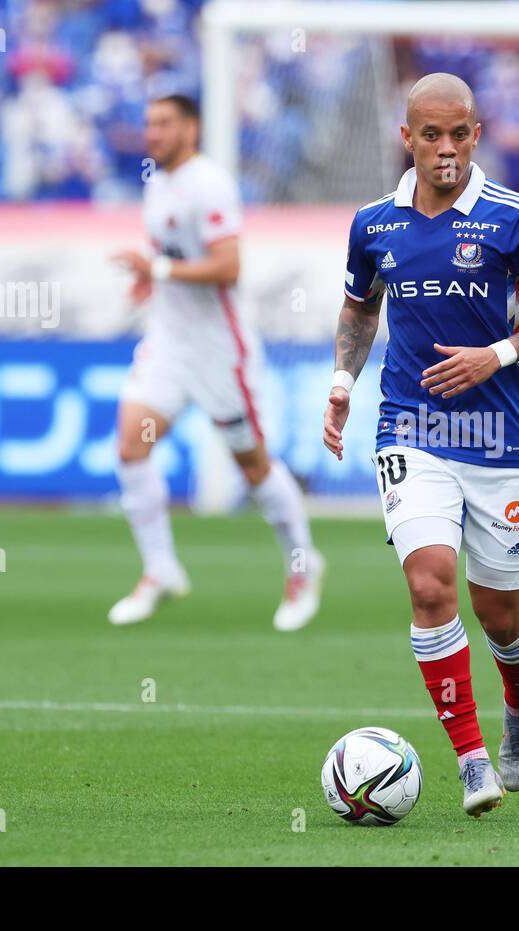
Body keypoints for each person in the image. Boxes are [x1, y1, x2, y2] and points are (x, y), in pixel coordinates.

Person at [322, 74, 519, 817]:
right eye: (430, 135)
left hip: (497, 436)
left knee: (500, 612)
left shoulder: (516, 219)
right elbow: (357, 308)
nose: (446, 148)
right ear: (406, 138)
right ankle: (472, 761)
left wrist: (497, 355)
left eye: (460, 134)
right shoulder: (375, 223)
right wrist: (343, 381)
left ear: (478, 134)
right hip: (410, 427)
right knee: (431, 585)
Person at [109, 94, 323, 631]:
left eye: (163, 124)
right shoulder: (157, 185)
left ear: (191, 128)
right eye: (148, 123)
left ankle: (303, 563)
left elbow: (228, 266)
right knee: (132, 445)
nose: (152, 133)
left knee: (252, 467)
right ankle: (160, 569)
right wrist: (151, 278)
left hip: (218, 353)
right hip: (168, 344)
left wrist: (155, 268)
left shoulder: (209, 184)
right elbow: (178, 259)